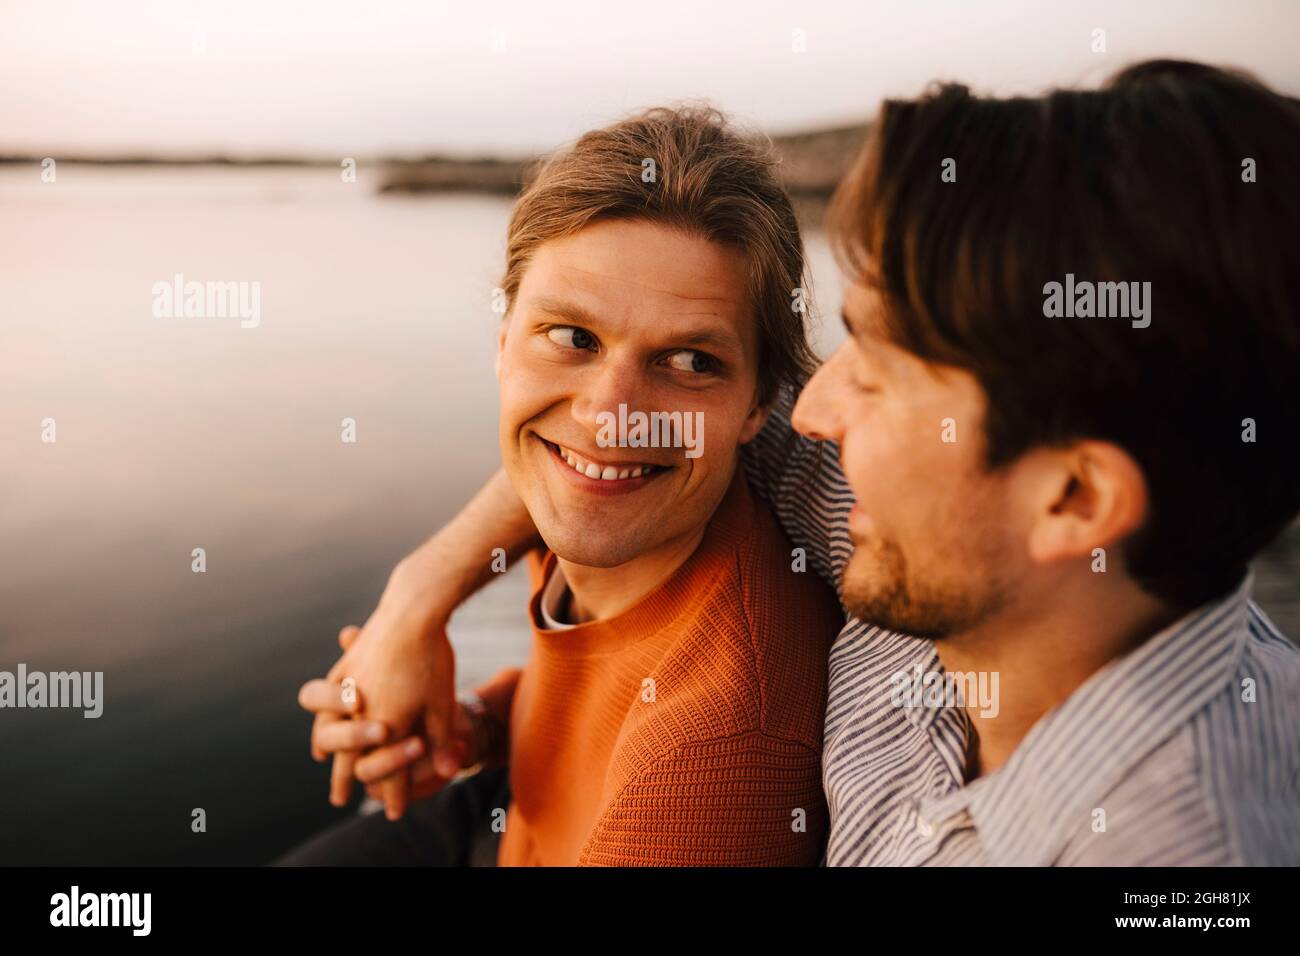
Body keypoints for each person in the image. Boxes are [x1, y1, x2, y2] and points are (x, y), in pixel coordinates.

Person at [301, 60, 1300, 865]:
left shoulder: (1177, 846)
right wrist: (416, 599)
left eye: (880, 369)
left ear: (1074, 499)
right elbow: (606, 432)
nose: (811, 407)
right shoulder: (913, 512)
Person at [284, 107, 843, 865]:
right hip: (512, 802)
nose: (608, 417)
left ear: (760, 407)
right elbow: (608, 684)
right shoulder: (631, 504)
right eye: (575, 338)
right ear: (503, 341)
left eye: (688, 362)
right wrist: (465, 723)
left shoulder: (709, 765)